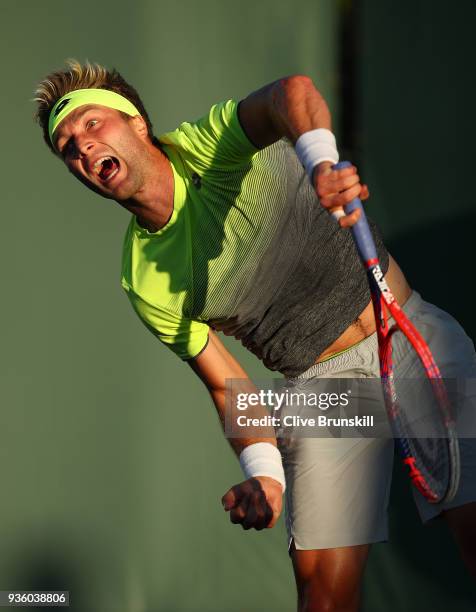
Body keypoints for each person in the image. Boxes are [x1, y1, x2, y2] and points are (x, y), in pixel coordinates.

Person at [34, 60, 476, 611]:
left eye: (91, 124)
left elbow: (292, 92)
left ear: (137, 125)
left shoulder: (211, 143)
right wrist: (264, 476)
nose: (80, 145)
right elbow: (227, 386)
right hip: (322, 389)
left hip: (410, 336)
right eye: (66, 145)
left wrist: (319, 162)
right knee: (322, 594)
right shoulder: (145, 278)